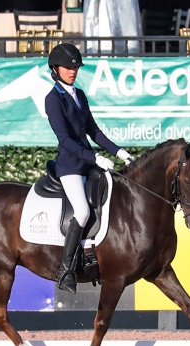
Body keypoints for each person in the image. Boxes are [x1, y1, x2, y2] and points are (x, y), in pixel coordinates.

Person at [45, 43, 134, 294]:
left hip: (88, 164)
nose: (73, 70)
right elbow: (65, 140)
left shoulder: (79, 95)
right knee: (82, 211)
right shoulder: (52, 99)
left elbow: (93, 131)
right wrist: (95, 158)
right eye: (68, 67)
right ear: (55, 69)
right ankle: (65, 270)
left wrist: (119, 152)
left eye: (75, 67)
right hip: (71, 167)